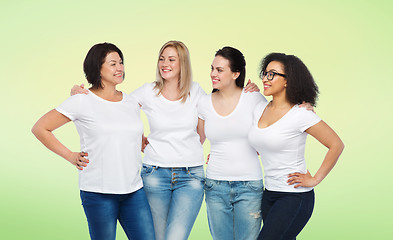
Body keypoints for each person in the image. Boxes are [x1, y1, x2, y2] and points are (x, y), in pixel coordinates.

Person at [71, 41, 260, 240]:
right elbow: (115, 106)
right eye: (161, 59)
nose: (164, 64)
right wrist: (81, 94)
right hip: (154, 174)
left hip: (190, 176)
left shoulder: (196, 92)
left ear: (183, 64)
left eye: (171, 59)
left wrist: (248, 92)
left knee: (175, 237)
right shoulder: (147, 91)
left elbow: (213, 122)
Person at [32, 43, 155, 240]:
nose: (120, 68)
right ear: (98, 68)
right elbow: (40, 128)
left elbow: (126, 131)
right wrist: (70, 156)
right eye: (113, 63)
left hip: (133, 189)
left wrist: (139, 141)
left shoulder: (131, 102)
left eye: (121, 63)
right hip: (98, 191)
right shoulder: (81, 100)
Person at [247, 53, 344, 240]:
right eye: (265, 73)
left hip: (294, 197)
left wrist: (315, 179)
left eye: (272, 74)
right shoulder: (259, 108)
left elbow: (336, 144)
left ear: (287, 81)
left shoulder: (301, 114)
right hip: (269, 194)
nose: (265, 78)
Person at [197, 47, 265, 240]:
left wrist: (305, 104)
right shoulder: (203, 102)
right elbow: (197, 140)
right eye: (212, 68)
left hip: (249, 185)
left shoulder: (253, 98)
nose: (212, 74)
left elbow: (272, 131)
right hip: (215, 185)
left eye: (219, 70)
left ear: (236, 74)